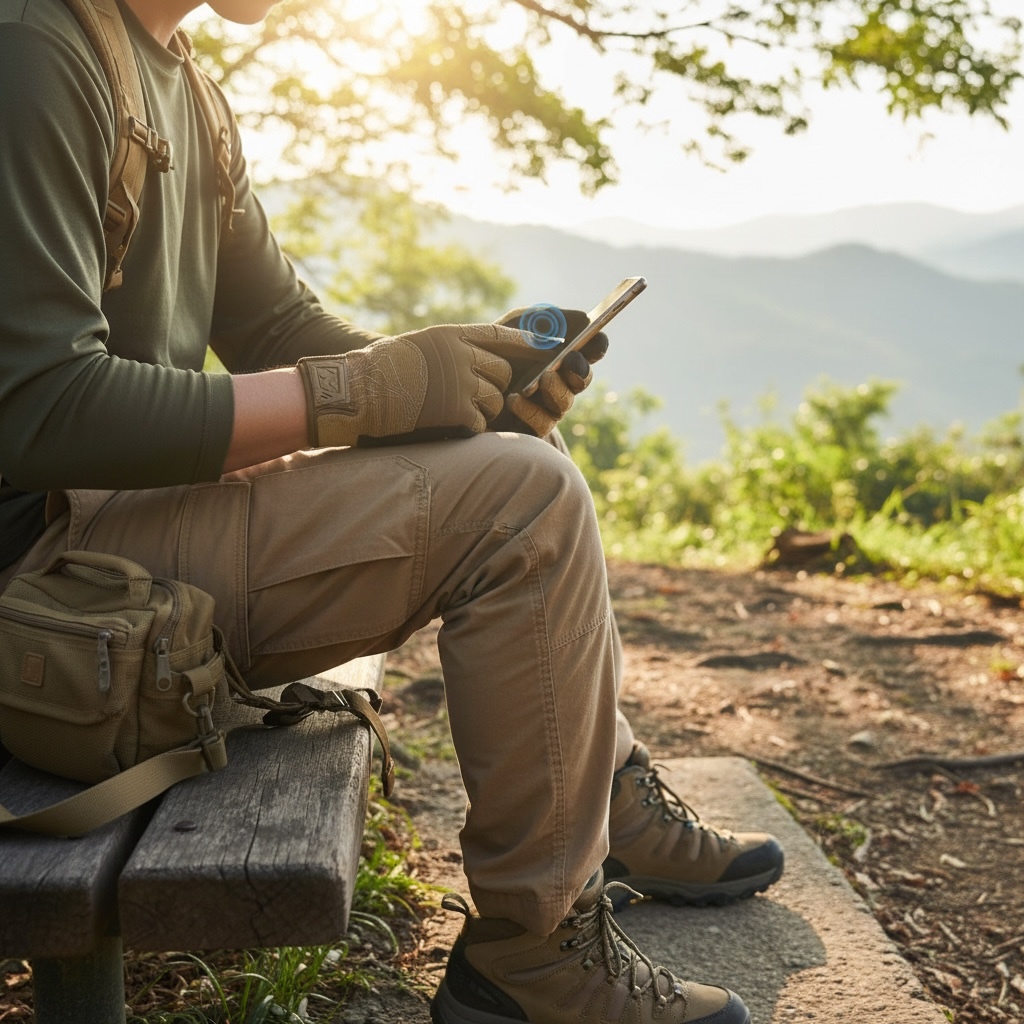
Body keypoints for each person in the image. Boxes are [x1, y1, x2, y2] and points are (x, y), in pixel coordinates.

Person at [0, 0, 783, 1020]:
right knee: (518, 495)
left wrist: (452, 379)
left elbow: (276, 326)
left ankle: (604, 798)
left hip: (127, 529)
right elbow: (39, 408)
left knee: (500, 452)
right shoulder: (36, 52)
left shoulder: (177, 75)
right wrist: (362, 396)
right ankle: (532, 958)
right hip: (47, 584)